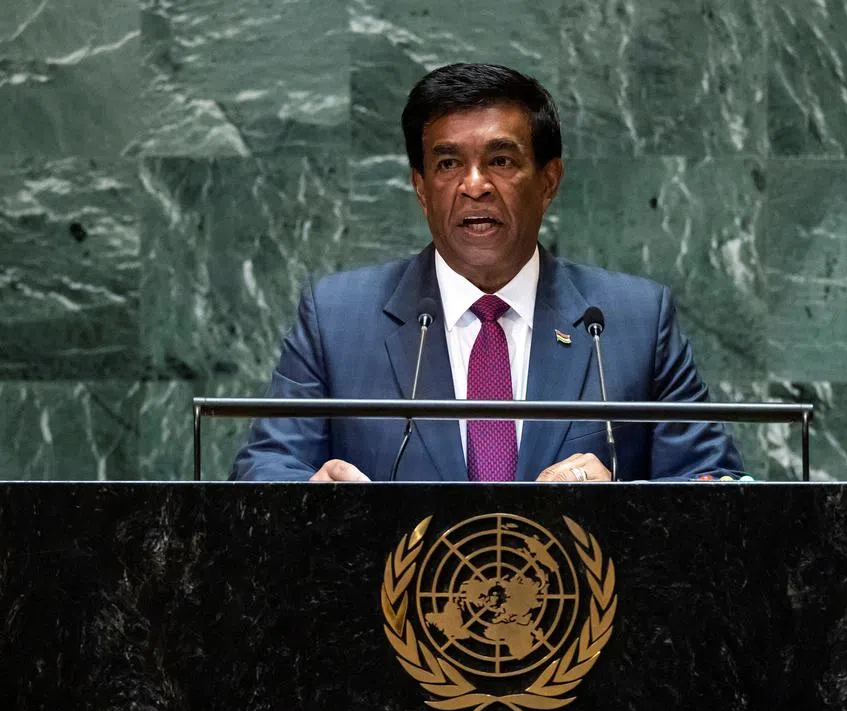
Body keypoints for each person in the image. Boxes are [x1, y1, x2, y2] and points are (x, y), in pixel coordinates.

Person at [230, 63, 744, 483]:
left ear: (549, 180)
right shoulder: (337, 318)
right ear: (420, 186)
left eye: (500, 160)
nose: (474, 186)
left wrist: (620, 506)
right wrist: (312, 495)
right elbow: (264, 471)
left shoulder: (630, 319)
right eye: (449, 165)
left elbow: (713, 485)